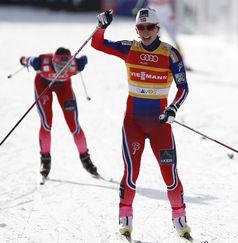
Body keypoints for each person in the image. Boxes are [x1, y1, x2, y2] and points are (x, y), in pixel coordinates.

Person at [92, 8, 192, 240]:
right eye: (141, 28)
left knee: (170, 175)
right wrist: (101, 27)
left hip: (160, 124)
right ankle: (125, 220)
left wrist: (173, 108)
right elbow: (98, 45)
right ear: (136, 29)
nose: (145, 32)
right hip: (133, 123)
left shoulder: (170, 54)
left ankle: (181, 221)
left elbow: (183, 88)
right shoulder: (130, 48)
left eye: (150, 27)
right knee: (130, 173)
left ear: (158, 28)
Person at [19, 48, 99, 180]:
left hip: (64, 88)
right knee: (46, 123)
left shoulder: (77, 65)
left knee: (74, 125)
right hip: (43, 86)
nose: (61, 70)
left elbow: (84, 59)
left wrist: (81, 60)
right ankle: (45, 159)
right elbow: (27, 60)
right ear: (52, 61)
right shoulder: (40, 62)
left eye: (65, 67)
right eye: (58, 66)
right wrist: (23, 60)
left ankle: (85, 158)